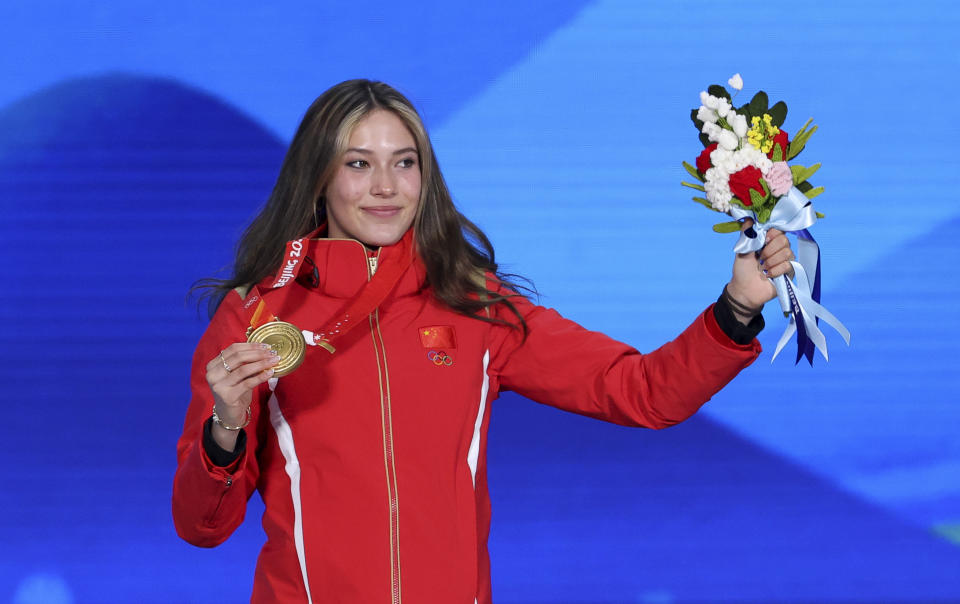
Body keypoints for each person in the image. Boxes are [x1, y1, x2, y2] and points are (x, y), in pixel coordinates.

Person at [172, 79, 794, 603]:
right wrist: (225, 427)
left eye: (404, 161)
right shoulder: (257, 316)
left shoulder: (475, 308)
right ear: (319, 179)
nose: (386, 186)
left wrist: (736, 308)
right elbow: (202, 526)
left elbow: (643, 392)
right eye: (358, 163)